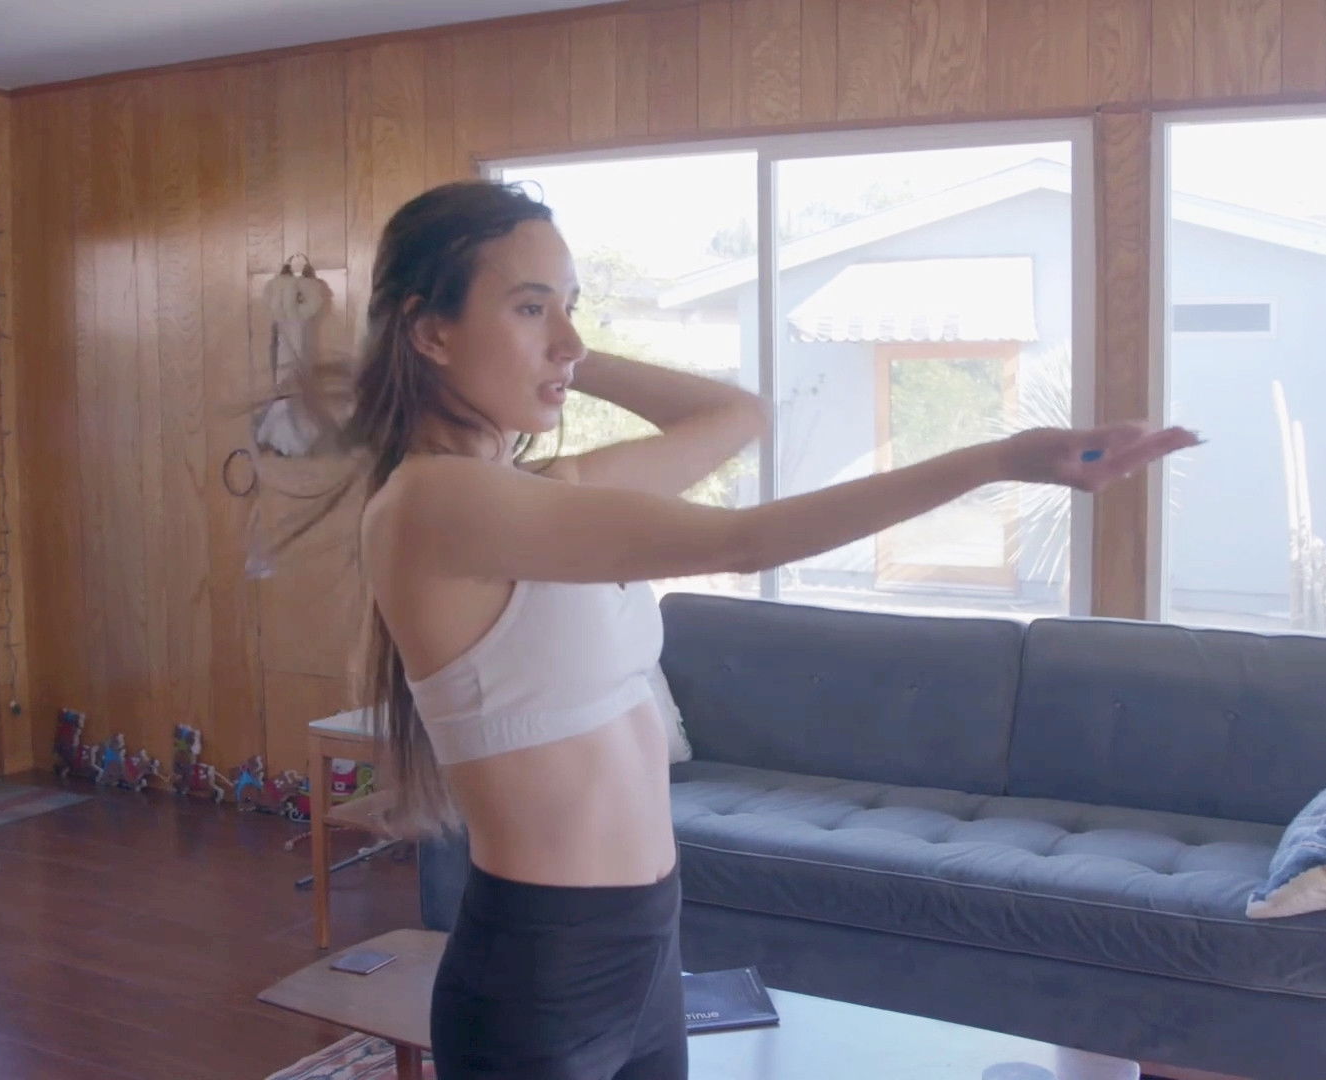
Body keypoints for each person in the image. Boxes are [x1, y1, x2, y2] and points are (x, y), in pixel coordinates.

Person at [292, 179, 1197, 1080]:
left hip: (643, 940)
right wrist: (996, 459)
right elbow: (745, 537)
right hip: (542, 966)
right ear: (430, 331)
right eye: (529, 307)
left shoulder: (541, 492)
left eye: (571, 305)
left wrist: (559, 354)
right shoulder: (439, 502)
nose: (567, 335)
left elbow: (735, 417)